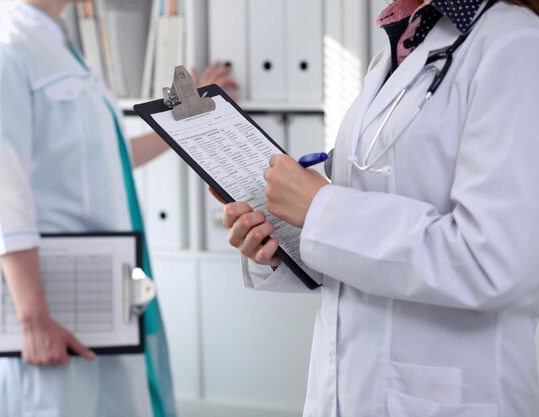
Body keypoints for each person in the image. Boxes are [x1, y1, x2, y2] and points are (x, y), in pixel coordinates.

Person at [219, 0, 539, 416]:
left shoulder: (515, 45)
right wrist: (277, 234)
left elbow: (496, 261)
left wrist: (319, 209)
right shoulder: (401, 48)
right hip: (346, 390)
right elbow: (359, 244)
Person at [0, 1, 236, 416]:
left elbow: (112, 155)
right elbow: (3, 193)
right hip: (52, 305)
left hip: (105, 291)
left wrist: (186, 114)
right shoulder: (5, 53)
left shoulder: (63, 52)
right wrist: (33, 318)